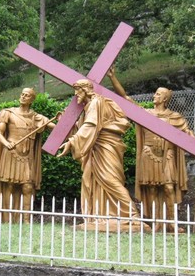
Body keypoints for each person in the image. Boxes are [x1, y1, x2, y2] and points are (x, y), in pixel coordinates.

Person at [107, 67, 195, 229]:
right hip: (148, 154)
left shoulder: (174, 117)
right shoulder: (145, 114)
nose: (155, 96)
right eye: (155, 93)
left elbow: (188, 135)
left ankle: (172, 223)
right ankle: (156, 223)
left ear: (164, 99)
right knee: (153, 189)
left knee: (168, 188)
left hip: (167, 155)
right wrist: (113, 78)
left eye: (158, 94)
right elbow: (126, 99)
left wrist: (192, 137)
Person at [58, 79, 148, 231]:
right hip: (97, 147)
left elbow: (91, 126)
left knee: (109, 179)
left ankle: (133, 216)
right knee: (95, 181)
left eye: (77, 90)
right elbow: (85, 129)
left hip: (106, 146)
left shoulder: (95, 103)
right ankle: (101, 216)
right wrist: (72, 129)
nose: (75, 94)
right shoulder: (91, 106)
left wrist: (73, 142)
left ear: (86, 90)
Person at [0, 88, 54, 222]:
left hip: (27, 156)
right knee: (9, 185)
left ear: (32, 100)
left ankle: (26, 220)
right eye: (22, 94)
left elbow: (54, 126)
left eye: (27, 95)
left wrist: (64, 119)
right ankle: (7, 218)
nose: (23, 96)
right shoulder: (7, 113)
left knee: (28, 186)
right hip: (11, 153)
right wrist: (6, 143)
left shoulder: (36, 117)